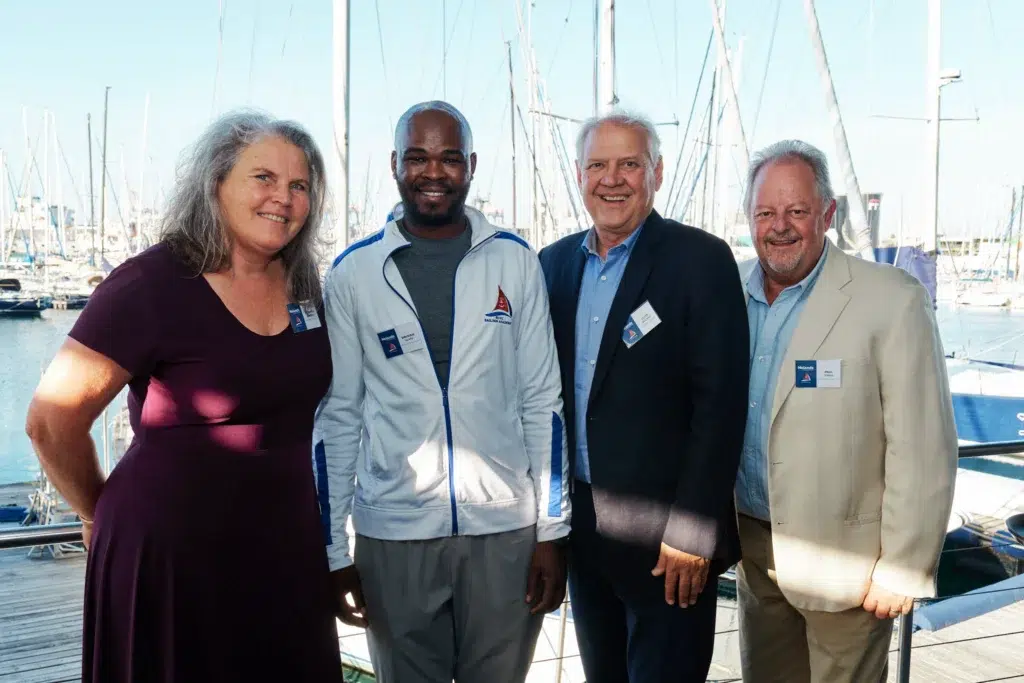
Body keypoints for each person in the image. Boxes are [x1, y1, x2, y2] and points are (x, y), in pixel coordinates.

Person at [24, 111, 343, 682]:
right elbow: (51, 422)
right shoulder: (151, 284)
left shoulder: (303, 284)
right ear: (216, 183)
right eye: (263, 178)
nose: (284, 198)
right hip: (171, 559)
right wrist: (98, 511)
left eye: (300, 185)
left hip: (284, 549)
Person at [315, 100, 569, 683]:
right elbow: (337, 418)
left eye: (449, 158)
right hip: (393, 535)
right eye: (418, 157)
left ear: (472, 165)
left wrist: (553, 531)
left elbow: (542, 403)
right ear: (395, 165)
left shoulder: (514, 260)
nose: (434, 173)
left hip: (505, 533)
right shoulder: (354, 273)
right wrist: (332, 552)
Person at [734, 139, 958, 683]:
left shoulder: (891, 298)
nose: (779, 226)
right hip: (753, 549)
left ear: (828, 214)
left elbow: (923, 444)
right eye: (766, 212)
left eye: (797, 211)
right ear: (750, 217)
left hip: (849, 564)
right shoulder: (727, 289)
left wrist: (903, 568)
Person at [538, 110, 749, 682]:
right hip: (582, 534)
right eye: (597, 165)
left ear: (656, 171)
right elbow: (540, 401)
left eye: (629, 164)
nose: (613, 179)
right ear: (578, 176)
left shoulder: (699, 260)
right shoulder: (552, 265)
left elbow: (721, 408)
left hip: (670, 546)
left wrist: (692, 531)